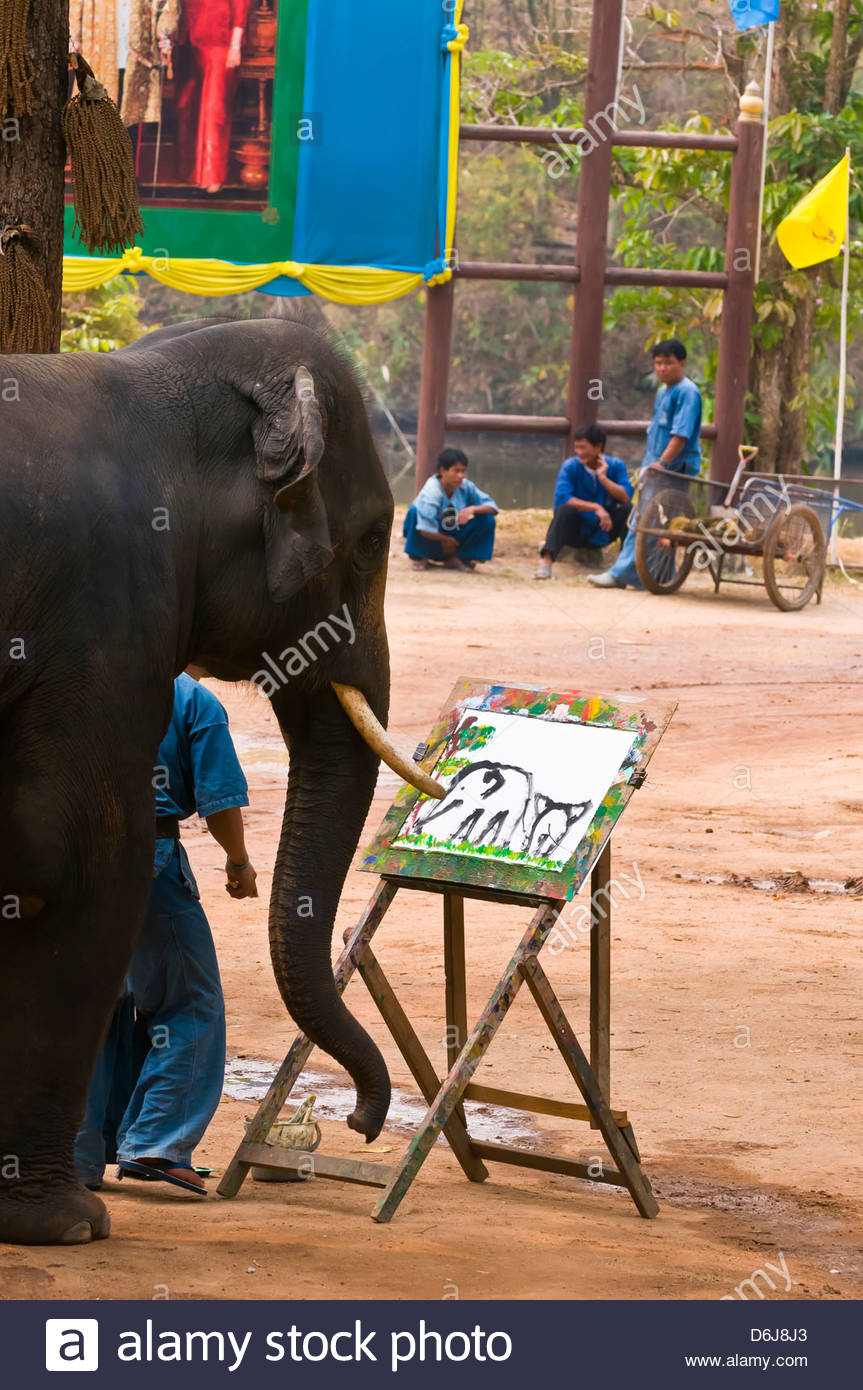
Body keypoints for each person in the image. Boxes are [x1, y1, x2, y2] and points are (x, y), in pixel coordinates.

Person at [74, 669, 257, 1197]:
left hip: (74, 862)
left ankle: (76, 1157)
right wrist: (239, 861)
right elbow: (220, 798)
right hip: (146, 863)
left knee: (96, 1008)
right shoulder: (193, 698)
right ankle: (157, 1142)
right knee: (191, 1003)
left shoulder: (90, 675)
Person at [589, 339, 703, 590]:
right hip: (655, 466)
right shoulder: (663, 392)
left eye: (668, 363)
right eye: (658, 363)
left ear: (681, 364)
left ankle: (622, 574)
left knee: (649, 520)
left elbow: (681, 436)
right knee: (654, 520)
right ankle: (659, 575)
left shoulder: (687, 392)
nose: (662, 368)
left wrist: (662, 463)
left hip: (673, 469)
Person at [534, 423, 634, 580]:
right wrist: (596, 508)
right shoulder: (570, 466)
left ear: (598, 447)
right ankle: (546, 562)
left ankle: (624, 565)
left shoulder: (616, 465)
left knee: (629, 509)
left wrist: (603, 477)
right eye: (576, 448)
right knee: (564, 509)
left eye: (583, 448)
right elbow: (563, 497)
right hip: (576, 531)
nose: (578, 452)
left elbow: (625, 496)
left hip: (604, 531)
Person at [177, 0, 251, 193]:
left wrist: (235, 45)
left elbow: (241, 5)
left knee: (213, 109)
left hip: (220, 42)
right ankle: (193, 172)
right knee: (188, 107)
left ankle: (213, 176)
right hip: (190, 43)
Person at [403, 448, 499, 572]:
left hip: (451, 530)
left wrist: (472, 509)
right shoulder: (431, 491)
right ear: (443, 471)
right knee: (414, 511)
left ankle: (460, 557)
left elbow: (492, 506)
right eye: (456, 471)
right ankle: (420, 556)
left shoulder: (466, 486)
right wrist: (445, 540)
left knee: (487, 519)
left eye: (463, 471)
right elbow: (425, 529)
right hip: (428, 534)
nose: (461, 476)